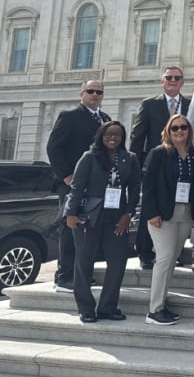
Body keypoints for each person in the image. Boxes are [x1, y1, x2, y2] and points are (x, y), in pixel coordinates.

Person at [63, 121, 139, 323]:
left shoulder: (129, 159)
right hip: (89, 217)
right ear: (101, 136)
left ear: (122, 138)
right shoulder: (89, 157)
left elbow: (134, 189)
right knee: (84, 262)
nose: (112, 138)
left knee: (118, 261)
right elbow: (76, 187)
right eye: (108, 134)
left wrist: (128, 214)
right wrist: (70, 214)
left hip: (117, 217)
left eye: (117, 135)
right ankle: (86, 308)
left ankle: (107, 307)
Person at [46, 80, 111, 292]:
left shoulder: (105, 119)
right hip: (72, 184)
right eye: (90, 91)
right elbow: (54, 147)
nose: (95, 95)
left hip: (97, 185)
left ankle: (82, 273)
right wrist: (66, 175)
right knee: (70, 226)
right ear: (81, 93)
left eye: (99, 92)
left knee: (89, 229)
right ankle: (64, 276)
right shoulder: (69, 116)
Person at [141, 114, 194, 325]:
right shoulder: (159, 153)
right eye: (174, 128)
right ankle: (154, 309)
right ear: (168, 131)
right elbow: (147, 185)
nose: (179, 131)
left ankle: (162, 304)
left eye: (183, 127)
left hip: (185, 213)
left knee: (172, 259)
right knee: (165, 258)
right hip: (162, 214)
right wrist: (151, 213)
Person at [131, 67, 190, 269]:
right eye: (169, 77)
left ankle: (174, 251)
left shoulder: (190, 104)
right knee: (151, 206)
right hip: (155, 162)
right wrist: (135, 166)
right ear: (162, 81)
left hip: (182, 162)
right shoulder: (149, 104)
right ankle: (145, 252)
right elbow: (137, 137)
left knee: (176, 207)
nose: (173, 80)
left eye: (177, 78)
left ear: (182, 82)